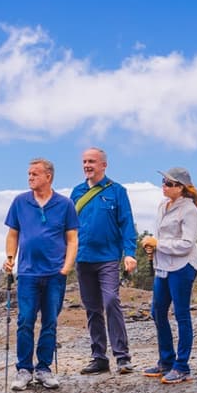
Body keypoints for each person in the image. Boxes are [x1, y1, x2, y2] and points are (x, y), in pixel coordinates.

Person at [3, 158, 80, 390]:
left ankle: (44, 368)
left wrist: (66, 267)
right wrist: (10, 258)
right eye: (29, 174)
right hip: (27, 273)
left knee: (50, 321)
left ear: (48, 176)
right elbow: (13, 234)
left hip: (55, 273)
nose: (30, 178)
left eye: (35, 174)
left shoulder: (65, 204)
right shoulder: (20, 202)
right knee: (25, 320)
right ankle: (24, 369)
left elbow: (72, 239)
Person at [71, 148, 138, 374]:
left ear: (104, 165)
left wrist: (129, 252)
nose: (87, 165)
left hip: (108, 258)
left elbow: (127, 224)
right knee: (92, 308)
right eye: (84, 161)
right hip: (83, 258)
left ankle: (122, 356)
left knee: (111, 301)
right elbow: (68, 228)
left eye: (92, 161)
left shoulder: (117, 191)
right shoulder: (77, 192)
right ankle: (99, 357)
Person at [139, 167, 197, 384]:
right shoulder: (162, 205)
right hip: (163, 266)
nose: (164, 186)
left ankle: (182, 366)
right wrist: (153, 246)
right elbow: (161, 235)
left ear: (181, 188)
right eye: (164, 182)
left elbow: (187, 243)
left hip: (183, 266)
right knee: (158, 311)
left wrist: (159, 244)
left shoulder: (189, 211)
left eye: (169, 183)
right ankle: (166, 360)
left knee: (181, 314)